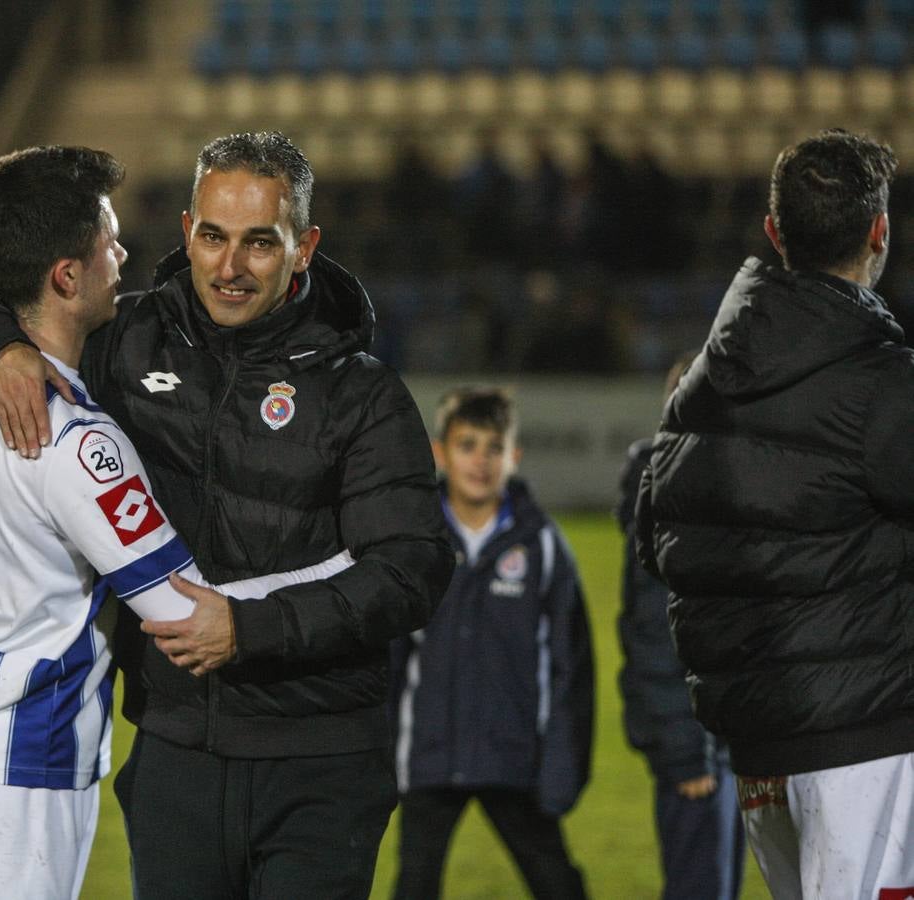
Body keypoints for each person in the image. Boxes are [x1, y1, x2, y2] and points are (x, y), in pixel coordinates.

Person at [0, 131, 453, 898]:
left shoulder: (360, 393)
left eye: (258, 244)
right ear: (186, 232)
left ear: (303, 248)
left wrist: (248, 629)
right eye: (212, 237)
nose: (229, 267)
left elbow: (410, 571)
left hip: (319, 763)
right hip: (176, 755)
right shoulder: (125, 344)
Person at [635, 129, 914, 898]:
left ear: (772, 231)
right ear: (879, 233)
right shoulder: (882, 385)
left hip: (759, 749)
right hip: (866, 741)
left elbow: (656, 542)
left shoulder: (700, 385)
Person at [390, 386, 592, 900]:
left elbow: (573, 667)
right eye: (467, 445)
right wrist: (379, 751)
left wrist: (564, 765)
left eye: (493, 447)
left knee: (557, 883)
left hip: (515, 756)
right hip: (430, 755)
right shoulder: (416, 540)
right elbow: (388, 658)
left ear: (513, 456)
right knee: (413, 885)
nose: (480, 461)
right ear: (440, 452)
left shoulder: (541, 542)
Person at [616, 356, 744, 900]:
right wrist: (686, 752)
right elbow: (652, 639)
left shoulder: (715, 499)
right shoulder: (668, 506)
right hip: (699, 753)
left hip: (731, 749)